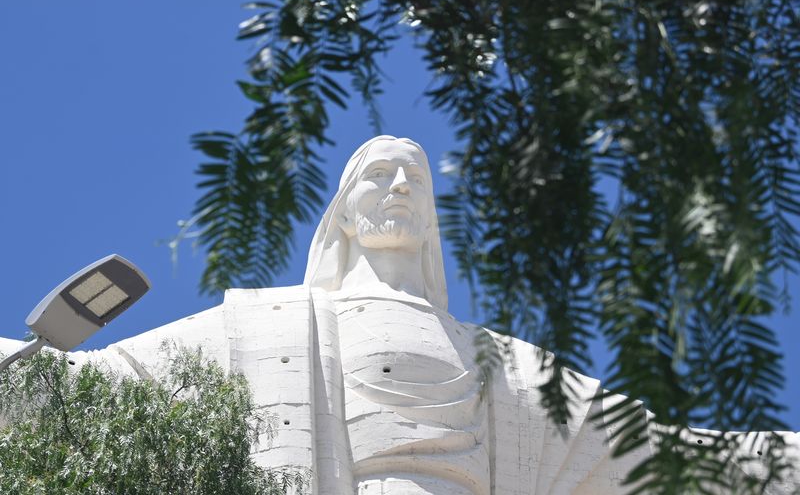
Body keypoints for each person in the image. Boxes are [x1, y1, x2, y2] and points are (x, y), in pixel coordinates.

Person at [2, 136, 797, 494]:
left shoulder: (505, 368)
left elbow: (663, 457)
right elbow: (114, 393)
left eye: (413, 177)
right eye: (375, 176)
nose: (398, 188)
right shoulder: (271, 330)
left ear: (431, 218)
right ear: (342, 214)